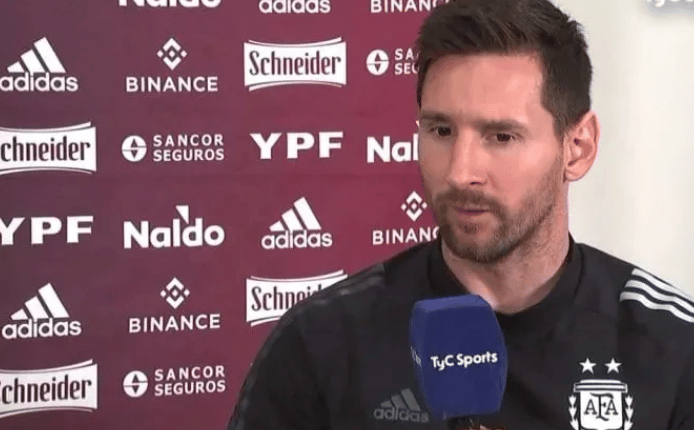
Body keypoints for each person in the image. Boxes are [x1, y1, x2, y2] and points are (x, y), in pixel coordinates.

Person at [227, 0, 694, 428]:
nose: (459, 172)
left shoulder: (673, 347)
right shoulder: (321, 342)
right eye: (441, 130)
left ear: (578, 147)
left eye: (501, 137)